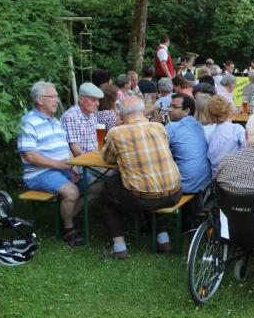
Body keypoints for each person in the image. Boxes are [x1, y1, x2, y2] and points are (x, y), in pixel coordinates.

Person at [100, 96, 182, 258]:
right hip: (175, 193)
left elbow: (108, 158)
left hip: (145, 198)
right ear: (144, 112)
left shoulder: (116, 133)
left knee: (107, 192)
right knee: (148, 183)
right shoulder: (159, 127)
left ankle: (119, 248)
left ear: (121, 116)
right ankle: (163, 239)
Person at [18, 81, 86, 247]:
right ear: (39, 100)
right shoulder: (28, 122)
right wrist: (59, 165)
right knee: (72, 192)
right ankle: (68, 229)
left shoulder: (55, 121)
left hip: (63, 168)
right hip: (39, 173)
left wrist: (73, 164)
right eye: (53, 97)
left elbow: (65, 148)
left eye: (57, 96)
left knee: (97, 185)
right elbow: (29, 155)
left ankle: (64, 216)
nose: (57, 100)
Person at [166, 93, 211, 194]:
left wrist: (154, 123)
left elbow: (155, 150)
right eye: (169, 106)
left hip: (185, 186)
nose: (169, 110)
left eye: (174, 107)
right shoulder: (198, 125)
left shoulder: (172, 127)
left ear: (186, 111)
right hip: (205, 185)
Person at [61, 82, 104, 157]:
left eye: (98, 100)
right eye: (94, 100)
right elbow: (75, 150)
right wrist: (92, 161)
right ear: (81, 100)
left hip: (96, 157)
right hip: (83, 161)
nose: (98, 104)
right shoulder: (70, 116)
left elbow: (98, 143)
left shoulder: (92, 114)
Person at [207, 95, 246, 175]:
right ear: (229, 110)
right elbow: (247, 148)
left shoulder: (212, 135)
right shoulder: (237, 128)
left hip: (216, 176)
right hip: (234, 174)